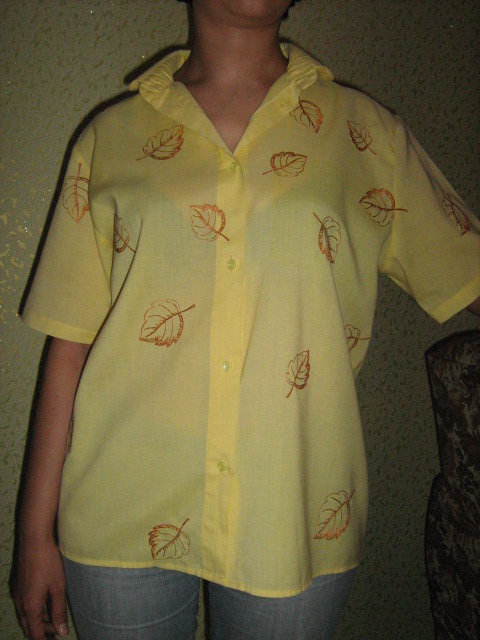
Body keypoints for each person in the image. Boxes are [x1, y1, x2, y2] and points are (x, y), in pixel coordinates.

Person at [12, 1, 480, 639]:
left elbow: (465, 266)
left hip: (293, 509)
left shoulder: (365, 133)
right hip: (120, 505)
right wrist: (34, 534)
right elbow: (70, 343)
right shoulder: (110, 137)